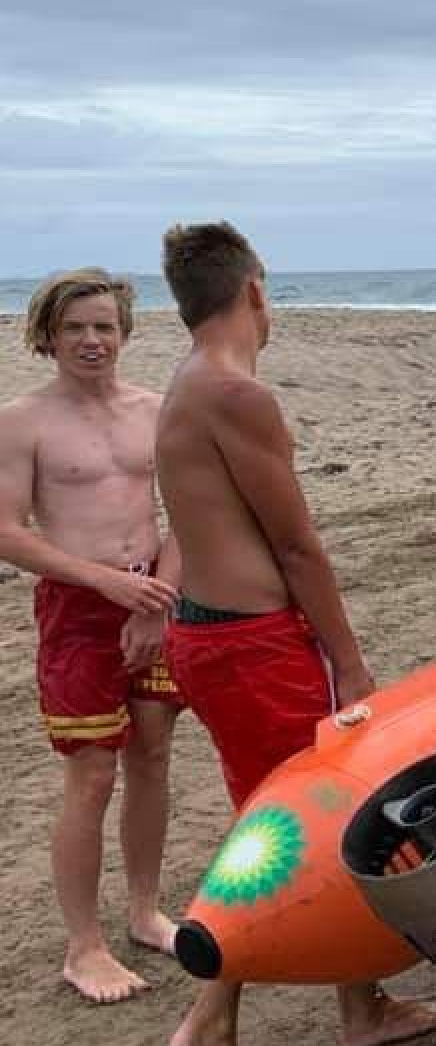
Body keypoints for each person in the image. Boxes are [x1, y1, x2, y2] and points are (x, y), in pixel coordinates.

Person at [153, 221, 436, 1046]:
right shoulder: (234, 393)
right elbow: (297, 545)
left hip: (209, 637)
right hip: (251, 645)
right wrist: (350, 665)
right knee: (321, 820)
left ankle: (352, 1006)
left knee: (272, 818)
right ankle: (210, 1022)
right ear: (253, 288)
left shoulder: (188, 381)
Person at [0, 269, 183, 1003]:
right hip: (78, 608)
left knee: (153, 754)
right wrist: (102, 582)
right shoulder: (23, 420)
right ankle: (85, 947)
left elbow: (191, 513)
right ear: (47, 334)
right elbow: (7, 531)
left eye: (104, 325)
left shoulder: (155, 410)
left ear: (125, 332)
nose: (92, 340)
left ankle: (143, 909)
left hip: (154, 598)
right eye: (75, 327)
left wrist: (156, 601)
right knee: (92, 772)